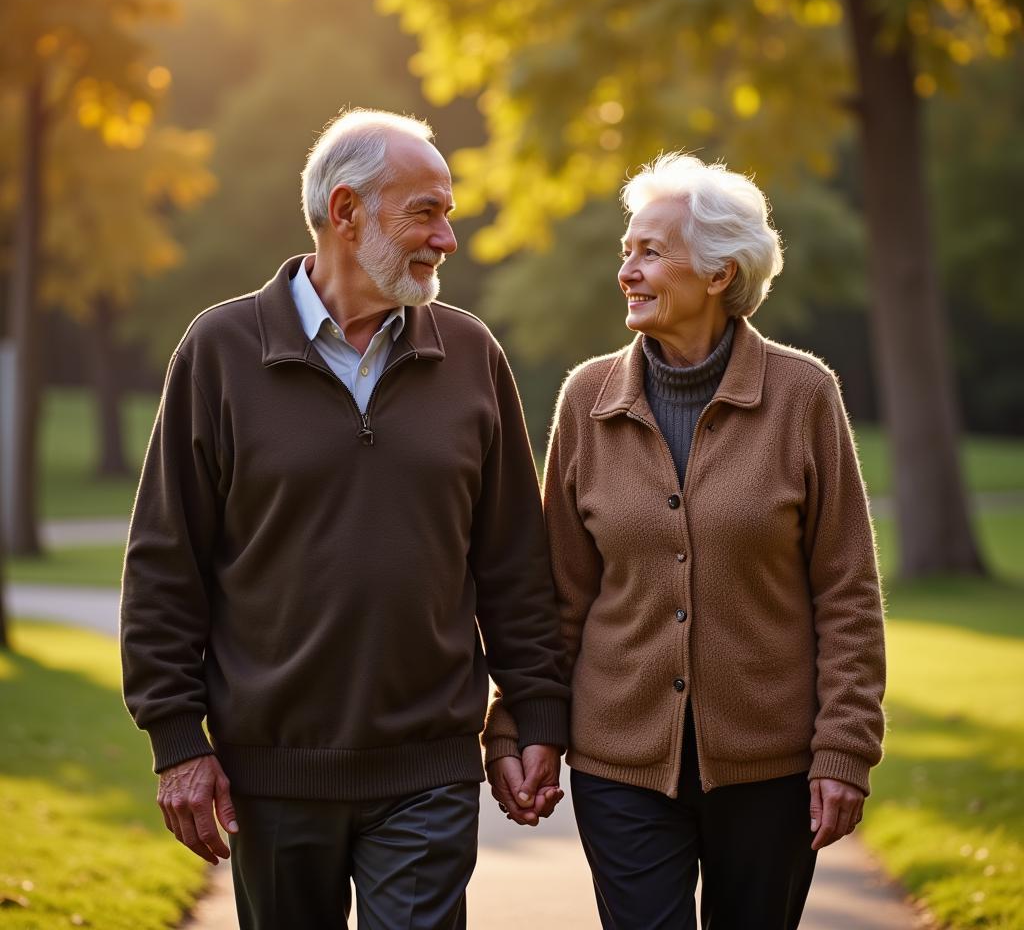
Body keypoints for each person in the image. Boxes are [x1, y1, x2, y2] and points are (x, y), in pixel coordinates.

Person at [120, 108, 569, 930]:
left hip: (429, 767)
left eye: (449, 214)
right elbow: (165, 562)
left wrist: (535, 709)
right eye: (426, 211)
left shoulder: (471, 356)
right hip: (272, 773)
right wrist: (178, 741)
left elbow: (512, 560)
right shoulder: (219, 350)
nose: (447, 239)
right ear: (346, 211)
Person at [485, 152, 886, 929]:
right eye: (626, 252)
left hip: (771, 770)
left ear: (717, 274)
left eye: (650, 252)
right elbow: (556, 595)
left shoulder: (805, 396)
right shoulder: (586, 399)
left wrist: (845, 750)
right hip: (620, 765)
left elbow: (847, 592)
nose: (628, 271)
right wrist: (521, 723)